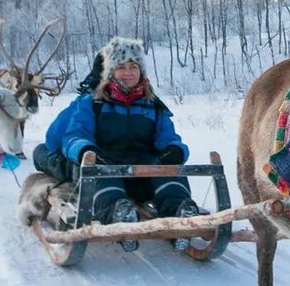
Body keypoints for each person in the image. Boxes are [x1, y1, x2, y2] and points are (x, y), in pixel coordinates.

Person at [36, 37, 198, 251]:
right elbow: (74, 136)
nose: (128, 72)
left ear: (141, 71)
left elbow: (168, 137)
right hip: (106, 168)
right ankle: (118, 216)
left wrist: (175, 150)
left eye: (134, 66)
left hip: (141, 174)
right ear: (111, 72)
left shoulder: (153, 106)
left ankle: (179, 215)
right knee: (100, 173)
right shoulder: (93, 103)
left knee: (169, 171)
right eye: (121, 67)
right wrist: (86, 149)